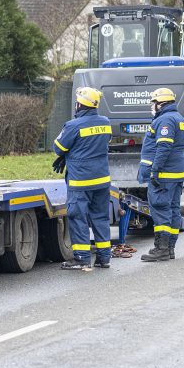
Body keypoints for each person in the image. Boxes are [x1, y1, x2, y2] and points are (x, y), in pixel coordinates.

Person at [52, 87, 112, 271]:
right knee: (100, 217)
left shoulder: (73, 125)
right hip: (102, 179)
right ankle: (104, 258)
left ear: (80, 104)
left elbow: (58, 147)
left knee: (78, 217)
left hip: (81, 181)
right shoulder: (105, 122)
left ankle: (82, 258)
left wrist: (65, 155)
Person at [138, 87, 184, 262]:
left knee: (160, 209)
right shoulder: (180, 119)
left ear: (161, 103)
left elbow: (164, 147)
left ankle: (161, 249)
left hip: (165, 174)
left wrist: (155, 170)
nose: (152, 107)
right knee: (174, 209)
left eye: (154, 103)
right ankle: (170, 249)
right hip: (177, 172)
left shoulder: (165, 120)